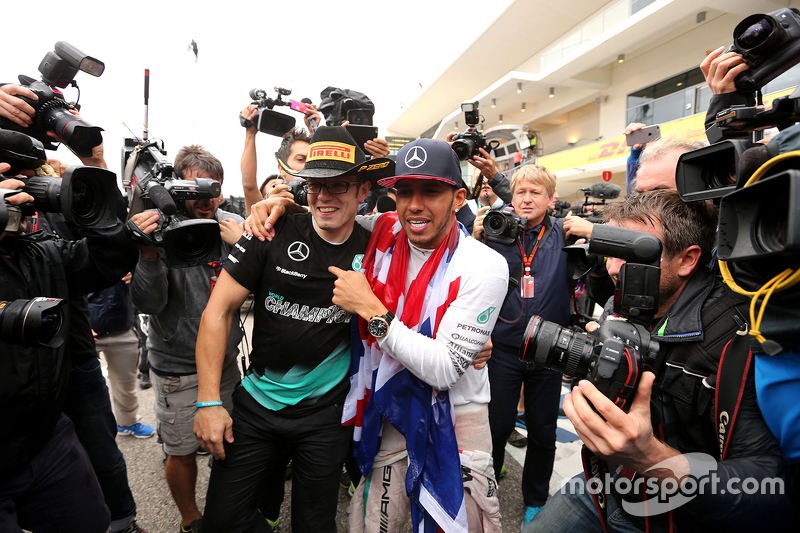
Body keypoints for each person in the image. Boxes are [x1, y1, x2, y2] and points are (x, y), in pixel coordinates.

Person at [526, 189, 798, 533]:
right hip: (610, 484)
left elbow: (772, 491)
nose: (613, 269)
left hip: (684, 513)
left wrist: (649, 456)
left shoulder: (734, 340)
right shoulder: (621, 304)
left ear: (687, 259)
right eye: (610, 251)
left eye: (632, 253)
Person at [193, 126, 394, 533]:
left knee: (315, 524)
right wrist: (208, 402)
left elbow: (438, 253)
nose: (324, 196)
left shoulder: (378, 246)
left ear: (362, 192)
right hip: (256, 405)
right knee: (221, 521)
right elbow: (218, 311)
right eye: (316, 184)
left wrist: (479, 339)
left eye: (339, 185)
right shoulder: (270, 230)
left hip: (325, 416)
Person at [326, 138, 508, 532]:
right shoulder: (382, 231)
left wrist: (371, 309)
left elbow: (444, 370)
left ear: (459, 197)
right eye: (404, 191)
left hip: (458, 421)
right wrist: (275, 206)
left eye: (431, 191)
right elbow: (327, 218)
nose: (414, 205)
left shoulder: (485, 265)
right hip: (390, 411)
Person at [0, 160, 137, 532]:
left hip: (45, 439)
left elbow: (105, 259)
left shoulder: (39, 252)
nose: (18, 193)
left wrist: (89, 208)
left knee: (91, 519)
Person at [130, 145, 244, 533]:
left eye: (214, 190)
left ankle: (225, 510)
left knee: (227, 441)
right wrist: (149, 254)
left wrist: (245, 246)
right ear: (176, 187)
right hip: (177, 366)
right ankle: (190, 518)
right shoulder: (159, 225)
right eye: (195, 190)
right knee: (180, 451)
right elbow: (148, 302)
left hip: (225, 362)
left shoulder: (231, 223)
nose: (207, 200)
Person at [473, 164, 571, 527]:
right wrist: (476, 237)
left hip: (550, 352)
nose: (527, 199)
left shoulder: (565, 233)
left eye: (536, 193)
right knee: (496, 427)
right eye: (521, 193)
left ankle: (535, 498)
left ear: (550, 199)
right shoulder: (497, 233)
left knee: (544, 432)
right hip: (504, 350)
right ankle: (490, 482)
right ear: (511, 199)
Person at [89, 278, 156, 439]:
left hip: (122, 329)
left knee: (126, 383)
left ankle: (127, 423)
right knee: (85, 388)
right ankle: (87, 432)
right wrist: (79, 325)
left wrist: (135, 273)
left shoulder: (122, 255)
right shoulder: (75, 255)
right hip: (87, 332)